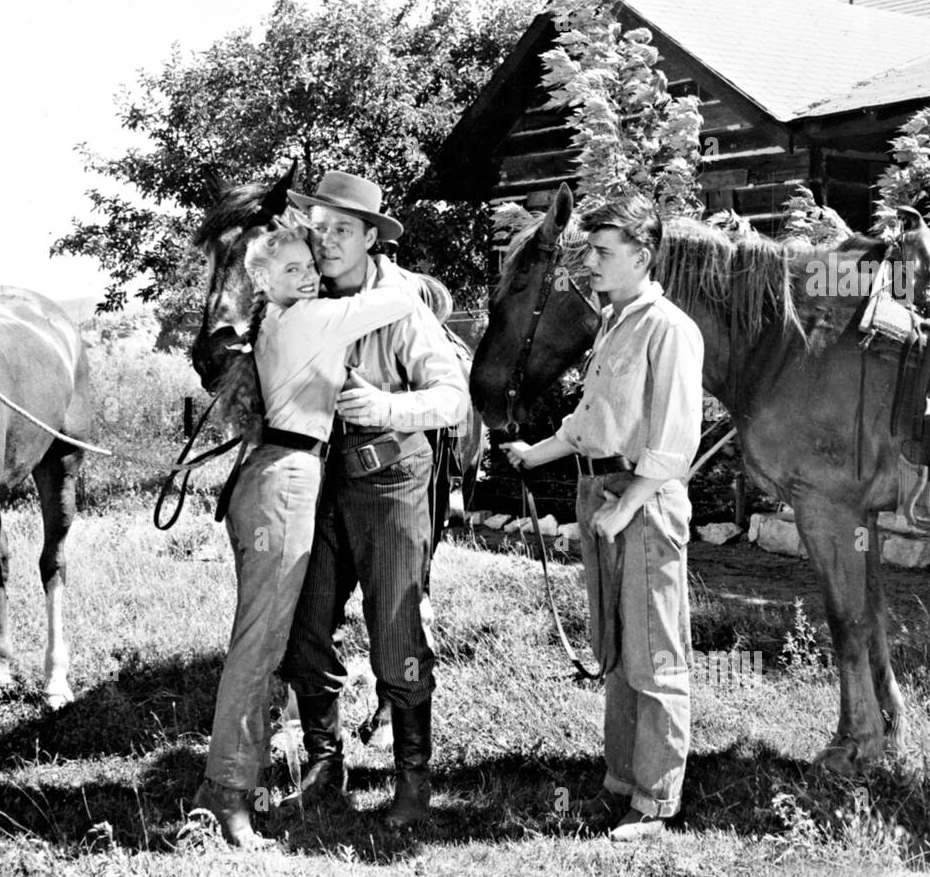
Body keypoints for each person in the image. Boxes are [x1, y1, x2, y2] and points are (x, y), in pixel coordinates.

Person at [194, 222, 415, 848]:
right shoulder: (309, 318)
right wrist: (373, 253)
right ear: (262, 280)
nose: (308, 276)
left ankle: (231, 782)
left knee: (264, 640)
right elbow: (399, 300)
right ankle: (226, 793)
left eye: (308, 265)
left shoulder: (277, 319)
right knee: (259, 646)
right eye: (291, 268)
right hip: (285, 483)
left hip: (275, 476)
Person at [502, 194, 703, 842]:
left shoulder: (669, 327)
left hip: (640, 500)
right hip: (603, 495)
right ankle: (621, 781)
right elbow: (591, 420)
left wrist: (627, 507)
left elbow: (674, 439)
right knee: (616, 650)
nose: (588, 261)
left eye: (602, 251)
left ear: (642, 257)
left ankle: (656, 800)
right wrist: (536, 454)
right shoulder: (614, 323)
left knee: (654, 654)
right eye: (587, 249)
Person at [281, 171, 469, 829]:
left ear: (368, 237)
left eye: (341, 230)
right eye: (320, 228)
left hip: (392, 479)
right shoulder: (299, 300)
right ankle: (323, 767)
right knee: (302, 628)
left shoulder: (402, 305)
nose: (327, 242)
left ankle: (413, 782)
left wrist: (385, 404)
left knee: (398, 633)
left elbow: (453, 398)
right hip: (320, 483)